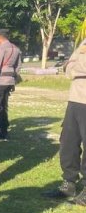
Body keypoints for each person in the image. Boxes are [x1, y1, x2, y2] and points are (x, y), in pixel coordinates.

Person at [44, 39, 86, 204]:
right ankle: (69, 183)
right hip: (75, 100)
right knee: (68, 142)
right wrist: (73, 67)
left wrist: (73, 68)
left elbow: (72, 67)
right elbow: (68, 64)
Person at [0, 28, 21, 141]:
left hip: (0, 81)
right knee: (4, 106)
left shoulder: (0, 48)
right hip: (10, 81)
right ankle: (4, 131)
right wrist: (14, 81)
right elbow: (18, 67)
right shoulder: (16, 49)